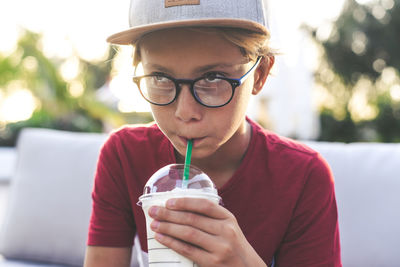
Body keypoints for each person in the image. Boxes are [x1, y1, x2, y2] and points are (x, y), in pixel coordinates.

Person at [84, 0, 342, 266]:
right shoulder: (124, 155)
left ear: (260, 73)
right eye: (160, 78)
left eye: (212, 78)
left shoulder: (303, 177)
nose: (185, 112)